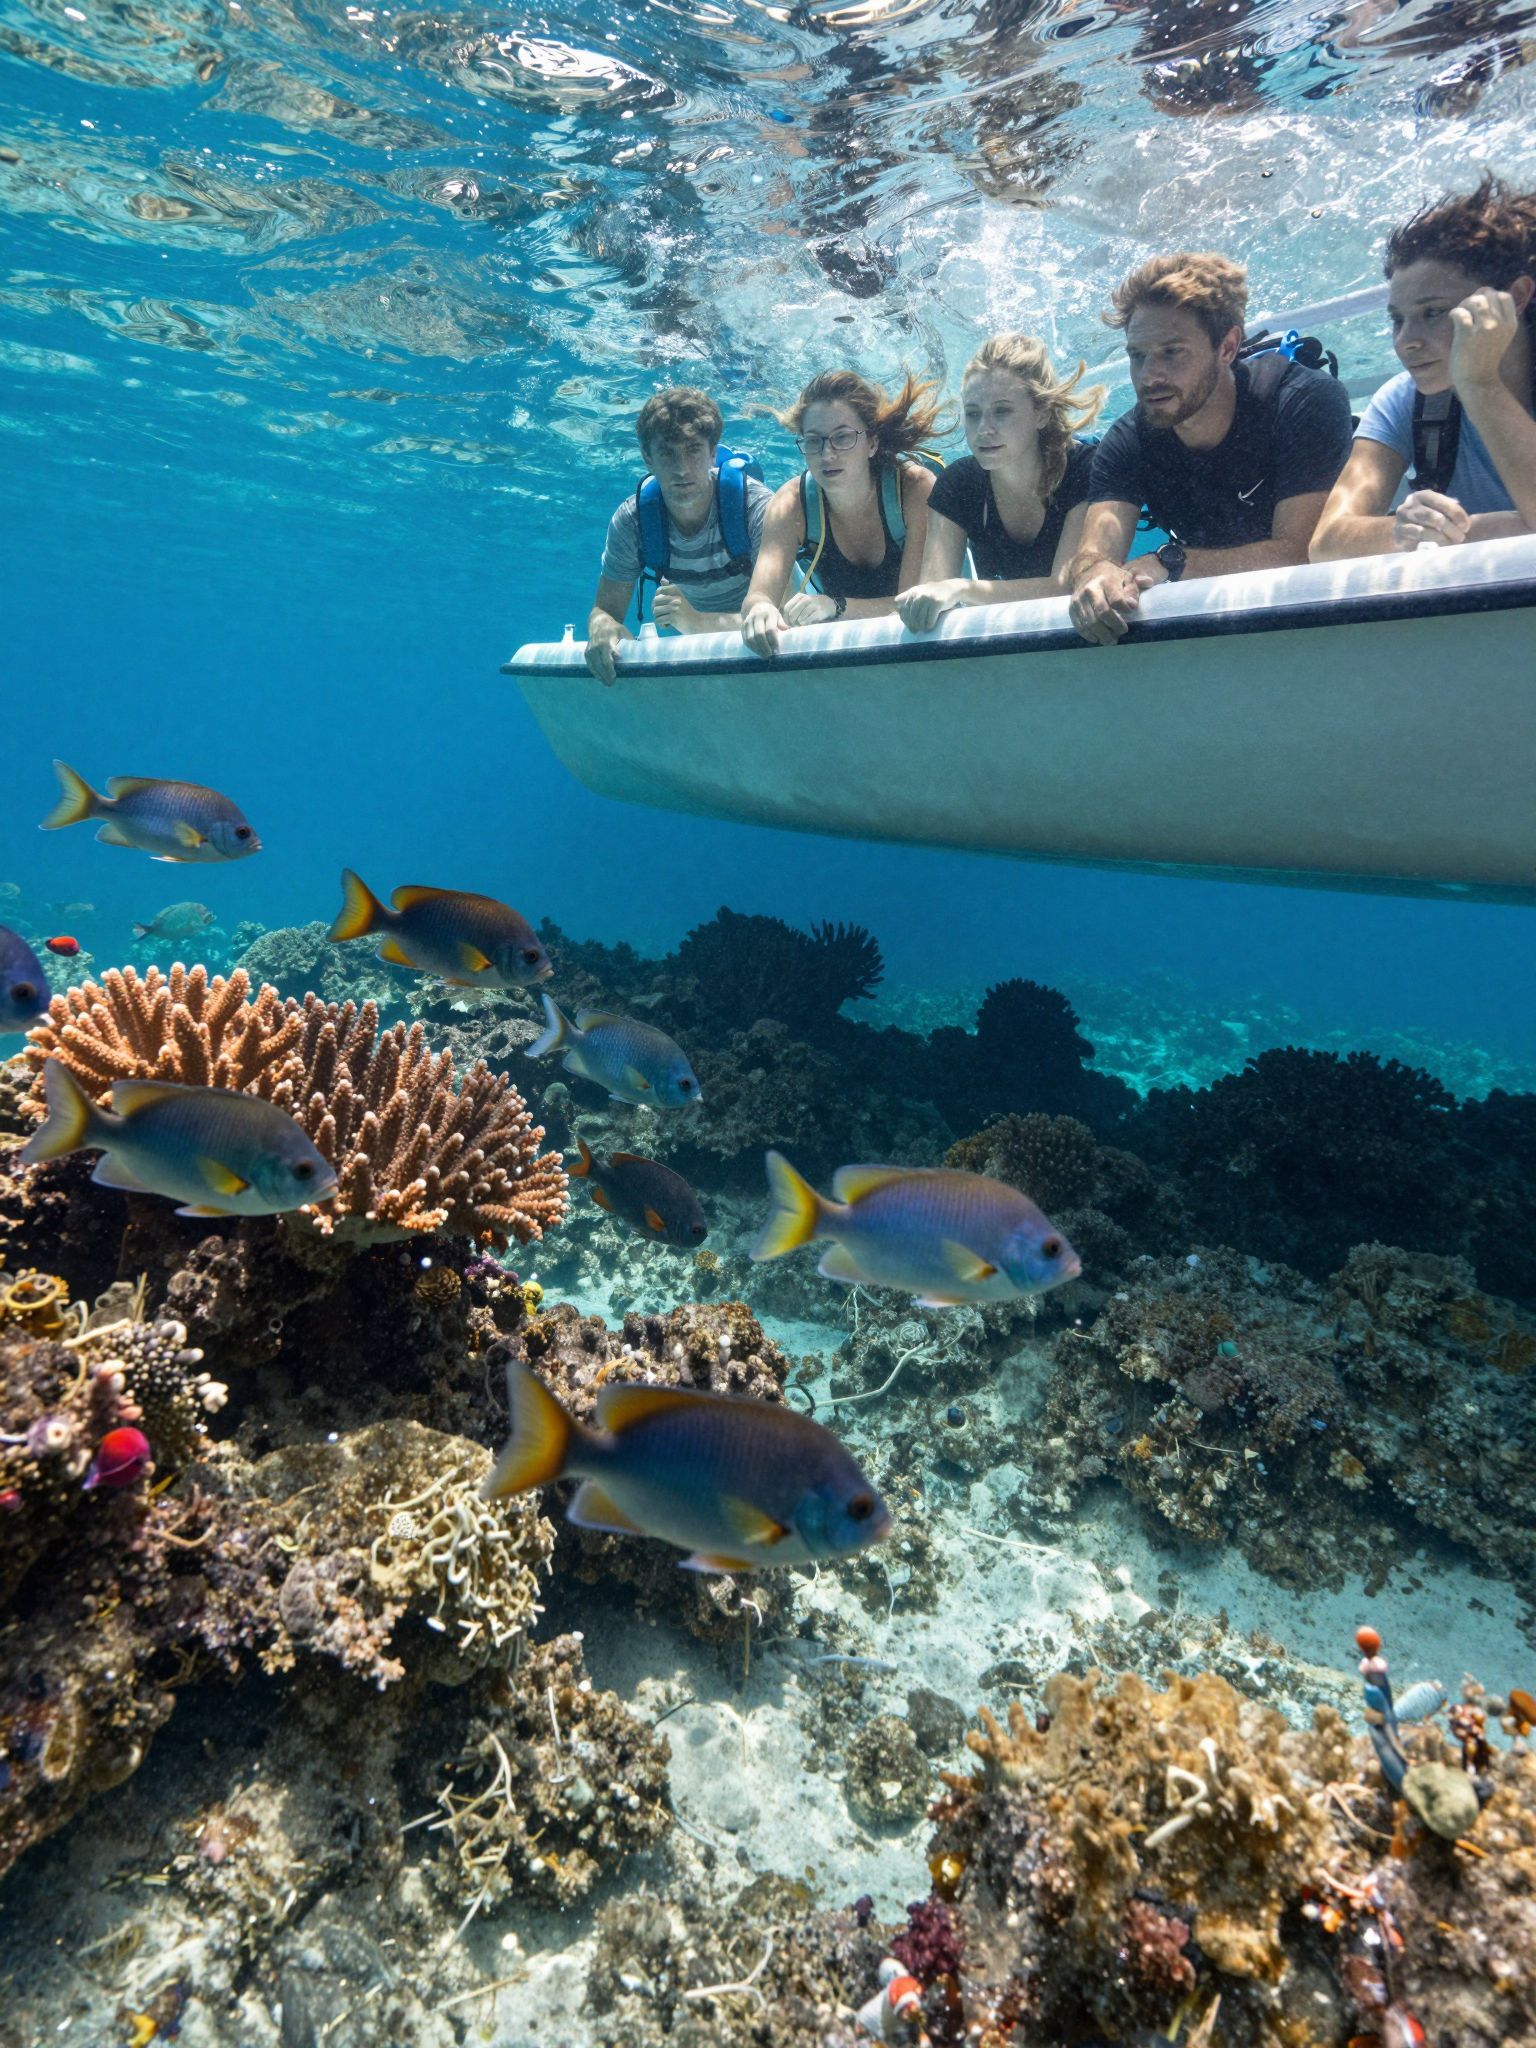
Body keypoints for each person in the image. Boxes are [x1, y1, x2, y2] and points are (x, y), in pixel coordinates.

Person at [1066, 252, 1354, 645]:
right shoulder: (1128, 440)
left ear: (1228, 346)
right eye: (1138, 356)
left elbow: (1303, 553)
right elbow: (1092, 553)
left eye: (1172, 351)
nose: (1149, 376)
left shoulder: (1302, 401)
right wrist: (1094, 575)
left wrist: (1173, 561)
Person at [1310, 175, 1536, 560]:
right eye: (1398, 319)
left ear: (1513, 298)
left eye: (1432, 313)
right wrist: (1398, 531)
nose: (1405, 341)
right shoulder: (1403, 400)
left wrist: (1479, 382)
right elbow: (1326, 542)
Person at [895, 333, 1105, 632]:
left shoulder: (1085, 468)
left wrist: (963, 589)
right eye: (973, 414)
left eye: (1002, 411)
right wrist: (947, 591)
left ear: (1041, 414)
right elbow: (931, 594)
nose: (984, 429)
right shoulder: (957, 484)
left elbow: (1066, 587)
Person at [741, 370, 943, 658]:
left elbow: (913, 610)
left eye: (843, 437)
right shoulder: (789, 504)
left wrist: (835, 606)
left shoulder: (915, 489)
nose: (827, 454)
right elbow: (758, 596)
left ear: (871, 443)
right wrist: (760, 610)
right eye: (814, 441)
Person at [585, 387, 772, 685]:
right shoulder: (633, 521)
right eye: (667, 452)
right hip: (707, 645)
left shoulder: (756, 506)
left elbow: (785, 618)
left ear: (713, 453)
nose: (681, 469)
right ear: (648, 458)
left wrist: (694, 621)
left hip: (770, 643)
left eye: (693, 450)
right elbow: (605, 611)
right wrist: (601, 627)